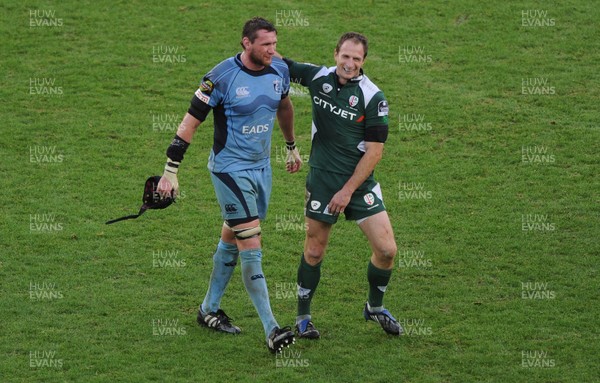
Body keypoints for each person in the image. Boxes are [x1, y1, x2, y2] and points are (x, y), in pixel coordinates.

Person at [156, 17, 302, 353]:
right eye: (265, 45)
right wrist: (170, 171)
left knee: (232, 234)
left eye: (274, 43)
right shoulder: (219, 77)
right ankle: (272, 328)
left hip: (261, 169)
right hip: (228, 170)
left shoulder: (278, 70)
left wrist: (291, 146)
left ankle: (208, 309)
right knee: (251, 245)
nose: (272, 50)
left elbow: (284, 107)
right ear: (246, 43)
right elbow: (189, 123)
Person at [279, 32, 402, 338]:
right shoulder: (318, 77)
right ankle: (303, 317)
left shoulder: (374, 97)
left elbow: (375, 152)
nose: (349, 64)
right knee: (314, 251)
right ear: (335, 54)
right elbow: (285, 65)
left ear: (363, 62)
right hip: (322, 180)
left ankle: (374, 308)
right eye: (345, 57)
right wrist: (258, 48)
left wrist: (347, 191)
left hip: (358, 185)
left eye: (356, 59)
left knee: (386, 250)